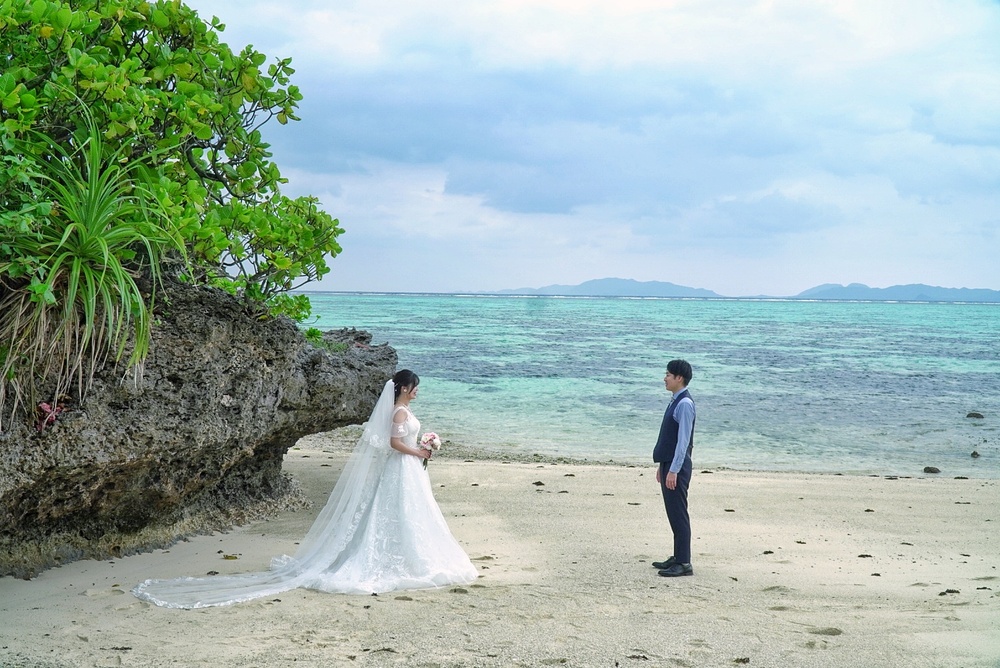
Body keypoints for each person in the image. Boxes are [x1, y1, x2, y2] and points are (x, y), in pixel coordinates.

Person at [133, 370, 478, 608]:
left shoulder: (404, 410)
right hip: (402, 465)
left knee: (409, 510)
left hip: (407, 470)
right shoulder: (400, 413)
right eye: (414, 387)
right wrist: (419, 451)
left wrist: (423, 447)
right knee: (394, 509)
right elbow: (393, 444)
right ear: (402, 388)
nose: (417, 391)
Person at [650, 359, 696, 577]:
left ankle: (684, 562)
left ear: (679, 378)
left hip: (678, 466)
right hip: (669, 463)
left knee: (678, 513)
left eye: (668, 374)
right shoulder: (675, 400)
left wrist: (674, 470)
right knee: (673, 512)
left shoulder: (684, 404)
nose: (665, 378)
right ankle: (678, 556)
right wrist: (663, 466)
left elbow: (683, 442)